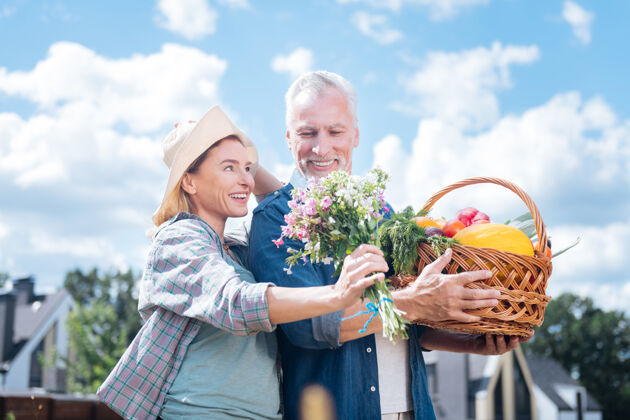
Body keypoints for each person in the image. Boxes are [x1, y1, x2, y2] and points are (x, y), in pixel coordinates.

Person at [247, 71, 530, 420]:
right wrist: (412, 303)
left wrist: (468, 343)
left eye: (335, 131)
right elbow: (307, 326)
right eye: (307, 133)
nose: (321, 147)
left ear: (356, 135)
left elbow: (407, 323)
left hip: (414, 409)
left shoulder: (381, 213)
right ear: (289, 137)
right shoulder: (276, 218)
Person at [97, 106, 389, 420]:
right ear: (190, 183)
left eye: (247, 169)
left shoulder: (237, 248)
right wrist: (335, 295)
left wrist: (228, 144)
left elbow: (292, 205)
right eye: (229, 168)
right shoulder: (177, 241)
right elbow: (235, 302)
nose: (246, 181)